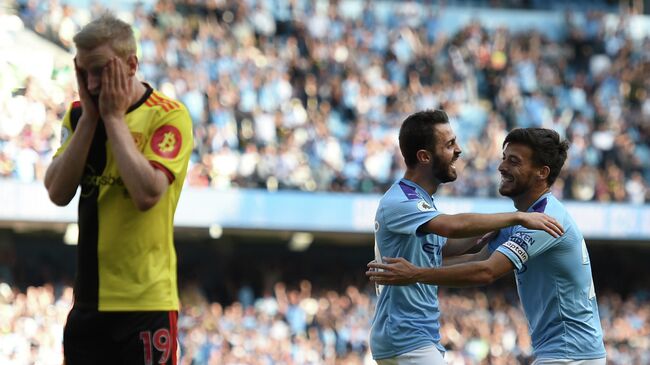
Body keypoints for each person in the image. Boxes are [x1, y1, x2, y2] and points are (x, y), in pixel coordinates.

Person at [368, 127, 606, 364]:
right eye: (504, 158)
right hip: (563, 352)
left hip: (572, 355)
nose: (502, 167)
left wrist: (416, 274)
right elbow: (477, 259)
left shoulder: (544, 220)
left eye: (514, 161)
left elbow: (486, 271)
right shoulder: (527, 217)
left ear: (541, 172)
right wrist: (412, 264)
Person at [44, 13, 192, 364]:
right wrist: (93, 119)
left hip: (145, 303)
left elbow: (147, 194)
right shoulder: (79, 117)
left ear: (131, 65)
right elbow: (57, 192)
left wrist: (113, 119)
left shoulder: (168, 116)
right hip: (88, 304)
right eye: (83, 72)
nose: (92, 83)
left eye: (100, 70)